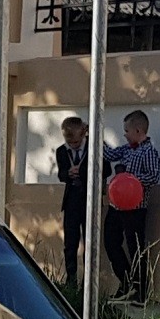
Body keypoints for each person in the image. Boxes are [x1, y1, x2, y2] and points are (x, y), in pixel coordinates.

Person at [104, 109, 160, 304]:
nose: (125, 134)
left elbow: (153, 176)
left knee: (136, 248)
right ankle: (127, 282)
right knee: (110, 242)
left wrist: (130, 180)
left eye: (127, 130)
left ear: (138, 130)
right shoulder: (126, 149)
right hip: (116, 206)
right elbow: (109, 154)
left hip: (136, 209)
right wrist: (93, 136)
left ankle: (141, 291)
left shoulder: (149, 152)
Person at [53, 116, 92, 287]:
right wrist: (68, 174)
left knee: (89, 242)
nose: (73, 145)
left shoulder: (93, 146)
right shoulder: (62, 151)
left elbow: (105, 169)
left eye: (76, 142)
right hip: (71, 201)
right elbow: (61, 174)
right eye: (69, 142)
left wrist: (82, 173)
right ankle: (71, 280)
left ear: (83, 134)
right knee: (70, 242)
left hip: (88, 199)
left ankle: (88, 281)